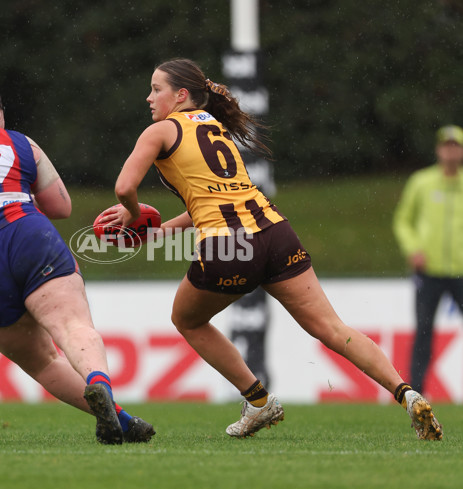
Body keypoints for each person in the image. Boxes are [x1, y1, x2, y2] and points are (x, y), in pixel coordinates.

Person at [100, 58, 443, 440]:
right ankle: (407, 393)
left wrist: (133, 215)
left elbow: (124, 188)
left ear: (181, 95)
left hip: (230, 246)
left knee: (188, 321)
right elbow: (217, 198)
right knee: (331, 327)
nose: (149, 98)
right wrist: (162, 231)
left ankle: (259, 402)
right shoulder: (215, 126)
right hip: (275, 232)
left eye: (156, 89)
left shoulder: (160, 131)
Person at [0, 77, 154, 445]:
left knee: (41, 362)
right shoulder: (23, 143)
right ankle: (100, 385)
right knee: (72, 327)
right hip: (27, 234)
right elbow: (61, 207)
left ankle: (121, 420)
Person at [393, 125, 463, 395]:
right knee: (423, 334)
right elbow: (402, 221)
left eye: (455, 145)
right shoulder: (421, 182)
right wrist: (412, 248)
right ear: (438, 149)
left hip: (460, 272)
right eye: (446, 145)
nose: (450, 150)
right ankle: (416, 396)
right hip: (428, 272)